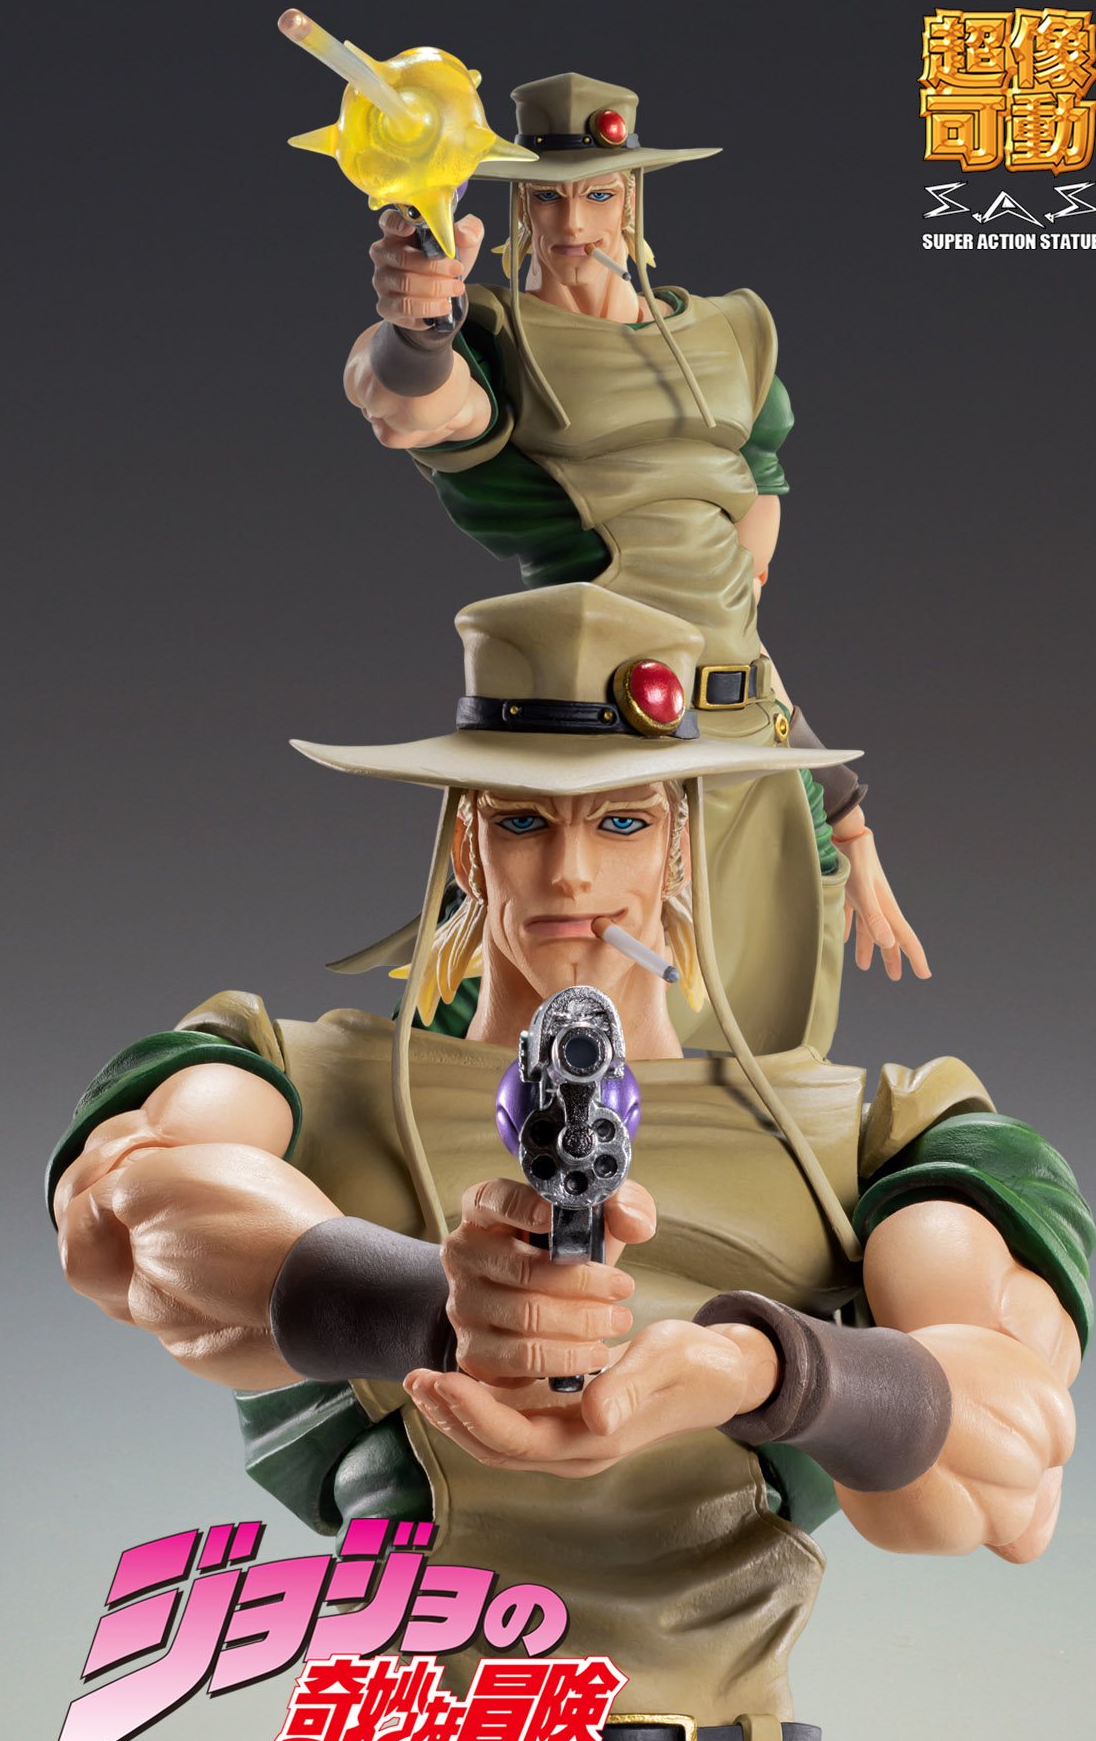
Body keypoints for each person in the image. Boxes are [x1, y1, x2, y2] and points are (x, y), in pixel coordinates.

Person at [51, 585, 1092, 1741]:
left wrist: (759, 1370)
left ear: (683, 838)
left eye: (621, 819)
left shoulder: (865, 1128)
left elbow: (1003, 1464)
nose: (570, 876)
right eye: (523, 820)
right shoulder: (304, 1078)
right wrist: (436, 1306)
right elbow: (125, 1216)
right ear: (464, 836)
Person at [343, 72, 929, 1055]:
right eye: (547, 195)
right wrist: (420, 326)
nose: (572, 220)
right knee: (519, 1034)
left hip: (746, 749)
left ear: (632, 194)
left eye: (598, 192)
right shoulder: (497, 336)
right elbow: (420, 407)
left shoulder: (728, 334)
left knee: (764, 1052)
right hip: (601, 759)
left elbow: (741, 617)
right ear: (520, 205)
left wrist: (851, 825)